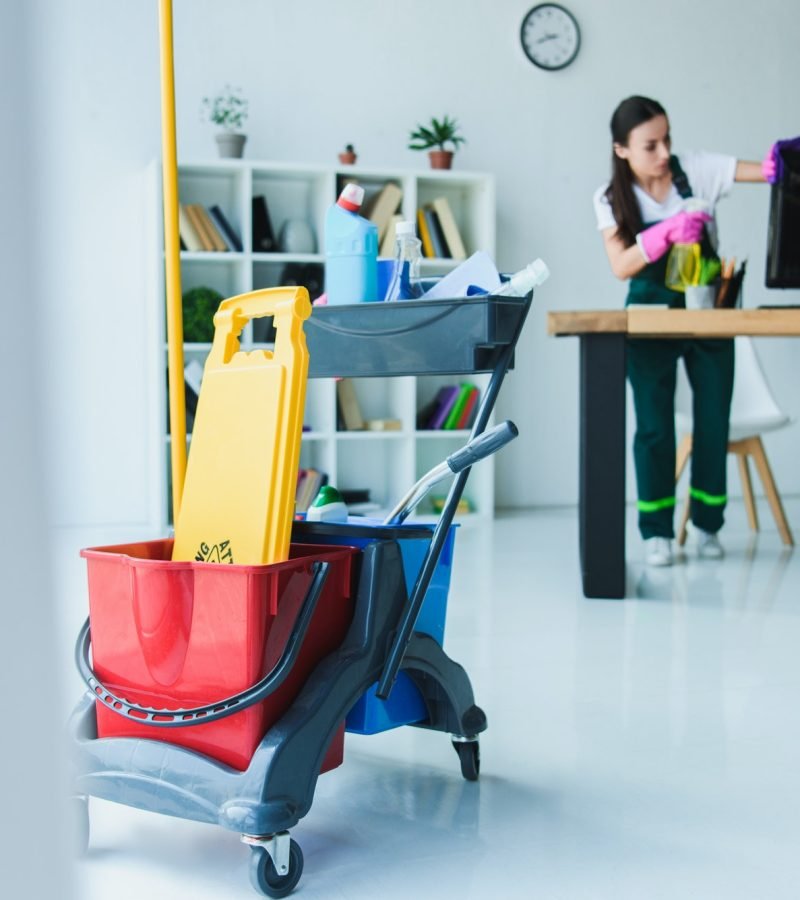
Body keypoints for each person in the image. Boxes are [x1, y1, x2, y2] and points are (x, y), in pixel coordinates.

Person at [593, 95, 777, 567]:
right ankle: (656, 531)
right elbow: (620, 265)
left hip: (708, 309)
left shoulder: (696, 171)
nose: (663, 153)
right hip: (650, 313)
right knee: (654, 426)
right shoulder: (611, 198)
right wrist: (664, 233)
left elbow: (765, 173)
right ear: (622, 150)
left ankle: (708, 525)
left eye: (667, 139)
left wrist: (782, 162)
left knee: (713, 419)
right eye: (650, 145)